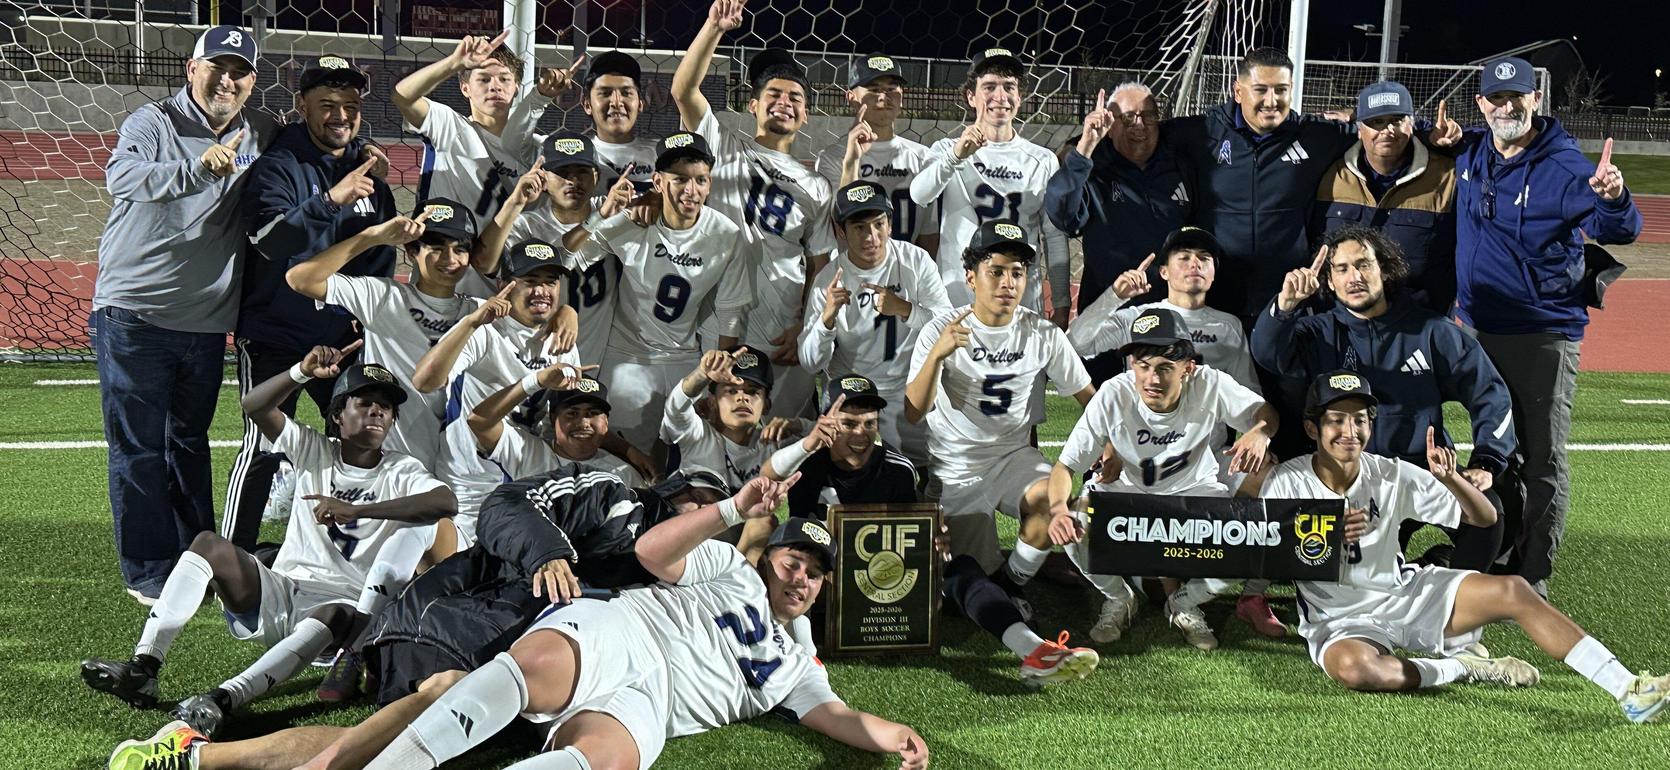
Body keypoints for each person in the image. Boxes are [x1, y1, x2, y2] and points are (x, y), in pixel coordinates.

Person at [102, 470, 738, 770]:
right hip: (463, 633)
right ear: (673, 497)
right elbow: (502, 504)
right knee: (439, 706)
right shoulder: (613, 499)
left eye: (717, 513)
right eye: (698, 504)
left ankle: (193, 759)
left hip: (532, 671)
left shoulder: (701, 577)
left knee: (427, 750)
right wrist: (546, 551)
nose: (705, 518)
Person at [358, 486, 933, 770]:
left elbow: (834, 715)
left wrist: (893, 734)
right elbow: (654, 552)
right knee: (539, 667)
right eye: (792, 563)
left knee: (608, 760)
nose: (801, 579)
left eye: (814, 575)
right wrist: (731, 509)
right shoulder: (733, 569)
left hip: (654, 704)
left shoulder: (797, 662)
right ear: (769, 559)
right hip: (627, 632)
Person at [1255, 372, 1669, 724]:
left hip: (1402, 593)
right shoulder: (1287, 482)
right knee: (1356, 670)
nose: (1350, 431)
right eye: (1336, 420)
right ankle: (1461, 666)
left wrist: (1453, 480)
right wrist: (1320, 536)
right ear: (1312, 429)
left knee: (1514, 591)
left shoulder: (1391, 473)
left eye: (1360, 419)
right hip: (1340, 619)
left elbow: (1483, 519)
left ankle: (1628, 689)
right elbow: (1266, 553)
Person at [81, 353, 457, 737]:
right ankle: (144, 666)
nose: (378, 412)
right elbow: (254, 405)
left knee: (335, 611)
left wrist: (359, 508)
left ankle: (224, 698)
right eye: (365, 403)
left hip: (341, 617)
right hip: (281, 591)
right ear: (339, 415)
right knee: (209, 543)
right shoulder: (316, 449)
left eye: (386, 407)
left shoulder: (402, 469)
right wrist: (301, 372)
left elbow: (446, 504)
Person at [91, 25, 278, 605]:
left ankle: (198, 556)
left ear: (251, 81)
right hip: (135, 313)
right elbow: (119, 177)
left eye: (240, 70)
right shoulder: (155, 123)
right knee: (140, 448)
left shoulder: (261, 132)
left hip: (203, 322)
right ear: (191, 70)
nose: (228, 79)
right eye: (216, 66)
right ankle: (147, 568)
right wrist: (199, 169)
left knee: (190, 444)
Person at [1442, 56, 1642, 595]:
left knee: (1541, 457)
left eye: (1518, 97)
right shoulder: (1470, 150)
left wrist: (1614, 196)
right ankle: (1498, 548)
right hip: (1475, 329)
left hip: (1541, 334)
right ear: (1481, 103)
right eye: (1496, 98)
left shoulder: (1565, 166)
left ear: (1536, 100)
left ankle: (1534, 574)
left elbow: (1620, 228)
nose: (1507, 107)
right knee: (1492, 447)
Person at [1252, 225, 1515, 572]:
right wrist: (1286, 305)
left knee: (1490, 513)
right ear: (1329, 282)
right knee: (1346, 573)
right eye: (1342, 269)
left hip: (1419, 473)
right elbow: (1268, 353)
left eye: (1364, 264)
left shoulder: (1432, 331)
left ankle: (1444, 580)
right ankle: (1408, 570)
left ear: (1384, 270)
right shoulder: (1317, 333)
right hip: (1349, 480)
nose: (1354, 277)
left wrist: (1487, 461)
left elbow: (1489, 393)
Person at [906, 219, 1099, 686]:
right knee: (956, 577)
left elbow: (1091, 401)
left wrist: (1110, 445)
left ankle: (1012, 589)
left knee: (1050, 503)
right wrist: (938, 355)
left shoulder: (1041, 333)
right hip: (955, 468)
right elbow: (914, 411)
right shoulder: (942, 328)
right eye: (996, 271)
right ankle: (1012, 613)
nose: (1008, 283)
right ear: (971, 276)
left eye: (1017, 272)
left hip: (1013, 457)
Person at [225, 55, 397, 552]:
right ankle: (234, 557)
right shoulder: (279, 165)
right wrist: (331, 200)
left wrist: (369, 322)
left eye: (350, 105)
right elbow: (270, 240)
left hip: (342, 338)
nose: (340, 115)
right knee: (262, 444)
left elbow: (380, 252)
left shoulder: (369, 171)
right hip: (276, 334)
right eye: (326, 105)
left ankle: (335, 551)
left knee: (353, 442)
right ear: (302, 107)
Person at [1044, 308, 1277, 648]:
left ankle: (1185, 602)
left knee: (1247, 537)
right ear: (1131, 366)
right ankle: (1119, 598)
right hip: (1127, 493)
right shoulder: (1113, 393)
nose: (1152, 379)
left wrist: (1260, 432)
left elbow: (1265, 413)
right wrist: (1057, 510)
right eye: (1143, 365)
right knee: (1073, 522)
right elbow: (1065, 468)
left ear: (1188, 368)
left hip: (1192, 491)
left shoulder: (1209, 383)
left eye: (1165, 368)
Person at [672, 1, 837, 417]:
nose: (784, 102)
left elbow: (820, 265)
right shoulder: (725, 148)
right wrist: (713, 28)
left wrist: (805, 324)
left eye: (795, 97)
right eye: (774, 94)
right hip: (716, 322)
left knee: (775, 437)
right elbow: (684, 91)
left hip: (781, 329)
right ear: (753, 105)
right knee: (713, 431)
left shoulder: (816, 186)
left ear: (805, 114)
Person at [559, 131, 749, 449]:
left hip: (686, 359)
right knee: (624, 459)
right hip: (629, 357)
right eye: (679, 180)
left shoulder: (726, 234)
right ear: (658, 182)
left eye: (701, 180)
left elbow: (731, 311)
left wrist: (720, 376)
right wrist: (601, 217)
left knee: (686, 461)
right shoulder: (631, 221)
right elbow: (566, 257)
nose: (691, 191)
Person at [1159, 46, 1356, 320]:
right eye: (1261, 90)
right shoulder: (1200, 133)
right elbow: (1137, 136)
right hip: (1214, 298)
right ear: (1238, 91)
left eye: (1281, 90)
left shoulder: (1316, 136)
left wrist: (1432, 138)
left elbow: (1379, 129)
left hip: (1286, 298)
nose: (1272, 100)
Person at [286, 197, 483, 470]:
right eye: (436, 248)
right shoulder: (382, 297)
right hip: (390, 466)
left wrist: (564, 315)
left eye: (460, 250)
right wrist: (372, 237)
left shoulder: (481, 313)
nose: (450, 259)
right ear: (412, 251)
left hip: (460, 469)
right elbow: (301, 279)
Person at [909, 47, 1071, 321]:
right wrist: (956, 156)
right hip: (957, 300)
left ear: (1020, 97)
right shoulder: (948, 149)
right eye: (989, 86)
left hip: (1020, 302)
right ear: (971, 96)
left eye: (1009, 87)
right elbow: (919, 194)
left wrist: (1062, 303)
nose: (1000, 97)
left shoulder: (1041, 159)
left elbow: (1054, 236)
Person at [800, 181, 953, 467]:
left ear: (890, 225)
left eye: (878, 224)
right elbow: (809, 362)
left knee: (929, 473)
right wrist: (827, 320)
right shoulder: (828, 281)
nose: (871, 236)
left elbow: (947, 328)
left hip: (906, 388)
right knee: (840, 477)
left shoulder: (916, 261)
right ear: (842, 231)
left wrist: (906, 309)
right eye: (860, 227)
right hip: (850, 392)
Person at [1045, 81, 1190, 326]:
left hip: (1171, 313)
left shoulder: (1182, 164)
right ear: (1110, 126)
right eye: (1128, 118)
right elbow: (1064, 218)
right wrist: (1084, 148)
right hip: (1106, 313)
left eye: (1148, 115)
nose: (1140, 125)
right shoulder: (1093, 169)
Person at [1313, 81, 1457, 315]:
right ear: (1358, 128)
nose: (1387, 130)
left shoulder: (1447, 177)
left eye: (1396, 120)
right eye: (1376, 122)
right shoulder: (1329, 173)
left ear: (1412, 124)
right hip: (1342, 321)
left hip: (1418, 321)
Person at [391, 29, 541, 233]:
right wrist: (454, 63)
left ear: (516, 87)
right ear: (465, 88)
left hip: (506, 260)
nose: (495, 87)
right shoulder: (448, 125)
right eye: (484, 79)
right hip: (445, 258)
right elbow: (403, 97)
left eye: (504, 79)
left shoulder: (534, 147)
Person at [663, 346, 805, 557]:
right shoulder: (697, 433)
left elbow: (828, 436)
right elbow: (676, 408)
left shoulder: (771, 443)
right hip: (691, 547)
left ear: (766, 405)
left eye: (752, 392)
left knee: (764, 522)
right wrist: (701, 375)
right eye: (731, 390)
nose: (742, 398)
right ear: (712, 401)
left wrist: (797, 425)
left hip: (744, 550)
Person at [817, 54, 940, 251]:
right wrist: (851, 162)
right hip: (851, 273)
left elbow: (928, 235)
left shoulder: (923, 158)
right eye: (873, 90)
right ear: (851, 98)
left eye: (891, 89)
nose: (883, 97)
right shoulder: (832, 158)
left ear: (902, 97)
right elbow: (837, 222)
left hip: (905, 273)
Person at [767, 375, 920, 519]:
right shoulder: (806, 463)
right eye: (848, 424)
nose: (861, 433)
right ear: (826, 423)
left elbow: (909, 537)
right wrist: (806, 445)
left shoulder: (898, 470)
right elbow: (766, 478)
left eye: (870, 423)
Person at [469, 370, 648, 487]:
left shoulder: (625, 475)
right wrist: (535, 381)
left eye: (592, 413)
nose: (584, 423)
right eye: (572, 413)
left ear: (606, 423)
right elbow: (480, 422)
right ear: (554, 419)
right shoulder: (526, 451)